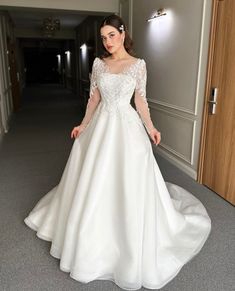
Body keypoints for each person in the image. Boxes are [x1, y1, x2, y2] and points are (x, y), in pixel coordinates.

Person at [24, 14, 211, 290]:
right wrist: (83, 124)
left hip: (127, 127)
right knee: (95, 179)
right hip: (101, 127)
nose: (108, 41)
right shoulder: (99, 64)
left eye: (112, 35)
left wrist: (151, 128)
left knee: (129, 181)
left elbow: (141, 101)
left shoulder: (138, 65)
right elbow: (94, 99)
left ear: (123, 34)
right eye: (103, 37)